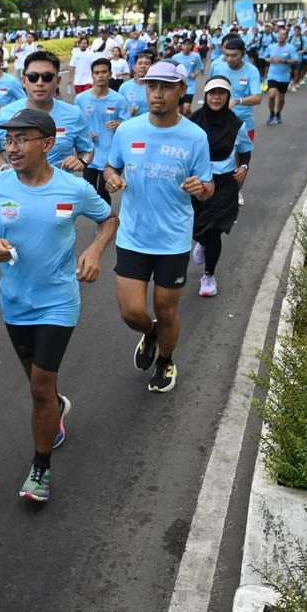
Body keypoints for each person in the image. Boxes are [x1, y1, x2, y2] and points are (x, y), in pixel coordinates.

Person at [0, 109, 117, 503]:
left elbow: (108, 220)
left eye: (22, 139)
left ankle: (40, 467)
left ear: (48, 144)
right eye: (8, 140)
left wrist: (95, 250)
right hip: (15, 301)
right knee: (37, 382)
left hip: (58, 301)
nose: (12, 148)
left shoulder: (74, 188)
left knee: (39, 386)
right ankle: (56, 408)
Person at [105, 61, 213, 393]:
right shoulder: (128, 130)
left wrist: (202, 188)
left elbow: (208, 187)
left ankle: (166, 360)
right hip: (133, 235)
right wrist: (111, 178)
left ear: (181, 90)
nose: (157, 93)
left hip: (173, 239)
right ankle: (150, 333)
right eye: (152, 86)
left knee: (167, 311)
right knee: (132, 312)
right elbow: (111, 167)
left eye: (166, 87)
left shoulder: (195, 136)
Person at [188, 76, 251, 298]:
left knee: (214, 231)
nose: (216, 97)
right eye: (212, 93)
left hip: (224, 183)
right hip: (196, 182)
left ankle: (209, 275)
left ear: (227, 96)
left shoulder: (236, 124)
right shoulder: (192, 121)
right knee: (196, 227)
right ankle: (202, 241)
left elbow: (245, 150)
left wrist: (244, 166)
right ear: (205, 96)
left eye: (221, 93)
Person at [0, 49, 93, 174]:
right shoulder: (6, 114)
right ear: (24, 81)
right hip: (20, 190)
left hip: (60, 190)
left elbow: (87, 150)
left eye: (47, 77)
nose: (40, 83)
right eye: (33, 77)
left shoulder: (74, 114)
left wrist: (82, 161)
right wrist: (5, 168)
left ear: (58, 81)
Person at [208, 36, 261, 206]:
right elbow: (209, 89)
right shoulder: (218, 66)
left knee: (240, 159)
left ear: (243, 54)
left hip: (243, 122)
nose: (230, 59)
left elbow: (257, 98)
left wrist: (237, 101)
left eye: (234, 55)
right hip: (219, 121)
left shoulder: (251, 71)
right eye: (227, 55)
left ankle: (236, 190)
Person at [74, 57, 130, 206]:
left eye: (104, 72)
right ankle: (101, 220)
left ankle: (105, 224)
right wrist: (84, 133)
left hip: (110, 155)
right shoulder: (80, 99)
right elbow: (76, 123)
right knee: (90, 191)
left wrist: (120, 124)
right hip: (90, 153)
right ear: (92, 75)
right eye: (97, 72)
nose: (100, 75)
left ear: (110, 74)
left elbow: (128, 124)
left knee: (103, 191)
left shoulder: (119, 100)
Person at [262, 28, 298, 125]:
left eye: (283, 35)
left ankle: (278, 113)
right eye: (279, 34)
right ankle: (271, 113)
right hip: (272, 74)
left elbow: (295, 60)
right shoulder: (271, 47)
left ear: (286, 36)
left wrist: (285, 61)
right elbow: (264, 57)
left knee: (281, 98)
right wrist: (270, 60)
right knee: (272, 95)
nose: (280, 36)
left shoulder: (291, 48)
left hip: (284, 76)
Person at [170, 36, 204, 117]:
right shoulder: (176, 57)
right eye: (184, 44)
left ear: (192, 45)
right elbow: (171, 68)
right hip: (178, 85)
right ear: (181, 46)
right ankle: (186, 122)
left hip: (190, 86)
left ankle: (192, 119)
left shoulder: (196, 56)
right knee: (179, 111)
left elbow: (201, 68)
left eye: (189, 44)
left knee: (187, 108)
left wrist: (195, 74)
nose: (186, 46)